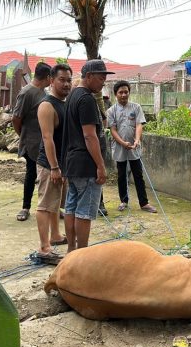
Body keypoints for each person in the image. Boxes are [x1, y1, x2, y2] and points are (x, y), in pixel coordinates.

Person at [61, 59, 113, 252]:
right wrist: (100, 165)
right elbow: (89, 135)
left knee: (71, 207)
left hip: (73, 163)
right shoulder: (86, 100)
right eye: (101, 78)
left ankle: (72, 250)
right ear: (89, 76)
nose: (102, 83)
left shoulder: (73, 96)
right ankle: (82, 252)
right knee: (84, 212)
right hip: (86, 164)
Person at [35, 64, 73, 263]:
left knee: (55, 202)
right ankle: (44, 248)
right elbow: (47, 138)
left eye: (69, 80)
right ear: (51, 80)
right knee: (45, 205)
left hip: (61, 164)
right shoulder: (47, 105)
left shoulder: (64, 103)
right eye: (62, 80)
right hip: (49, 164)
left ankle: (56, 236)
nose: (66, 84)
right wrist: (55, 167)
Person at [107, 80, 157, 213]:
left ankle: (144, 203)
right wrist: (122, 143)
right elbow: (112, 129)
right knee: (121, 175)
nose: (123, 95)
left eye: (126, 92)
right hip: (119, 147)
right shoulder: (111, 111)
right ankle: (123, 201)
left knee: (138, 174)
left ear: (129, 93)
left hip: (134, 147)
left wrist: (137, 140)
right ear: (115, 94)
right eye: (120, 92)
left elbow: (139, 124)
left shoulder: (136, 107)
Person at [13, 62, 51, 222]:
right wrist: (23, 135)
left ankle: (51, 208)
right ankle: (25, 207)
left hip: (45, 142)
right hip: (31, 142)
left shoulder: (44, 92)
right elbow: (16, 118)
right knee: (31, 173)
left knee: (47, 175)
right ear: (48, 77)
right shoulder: (27, 92)